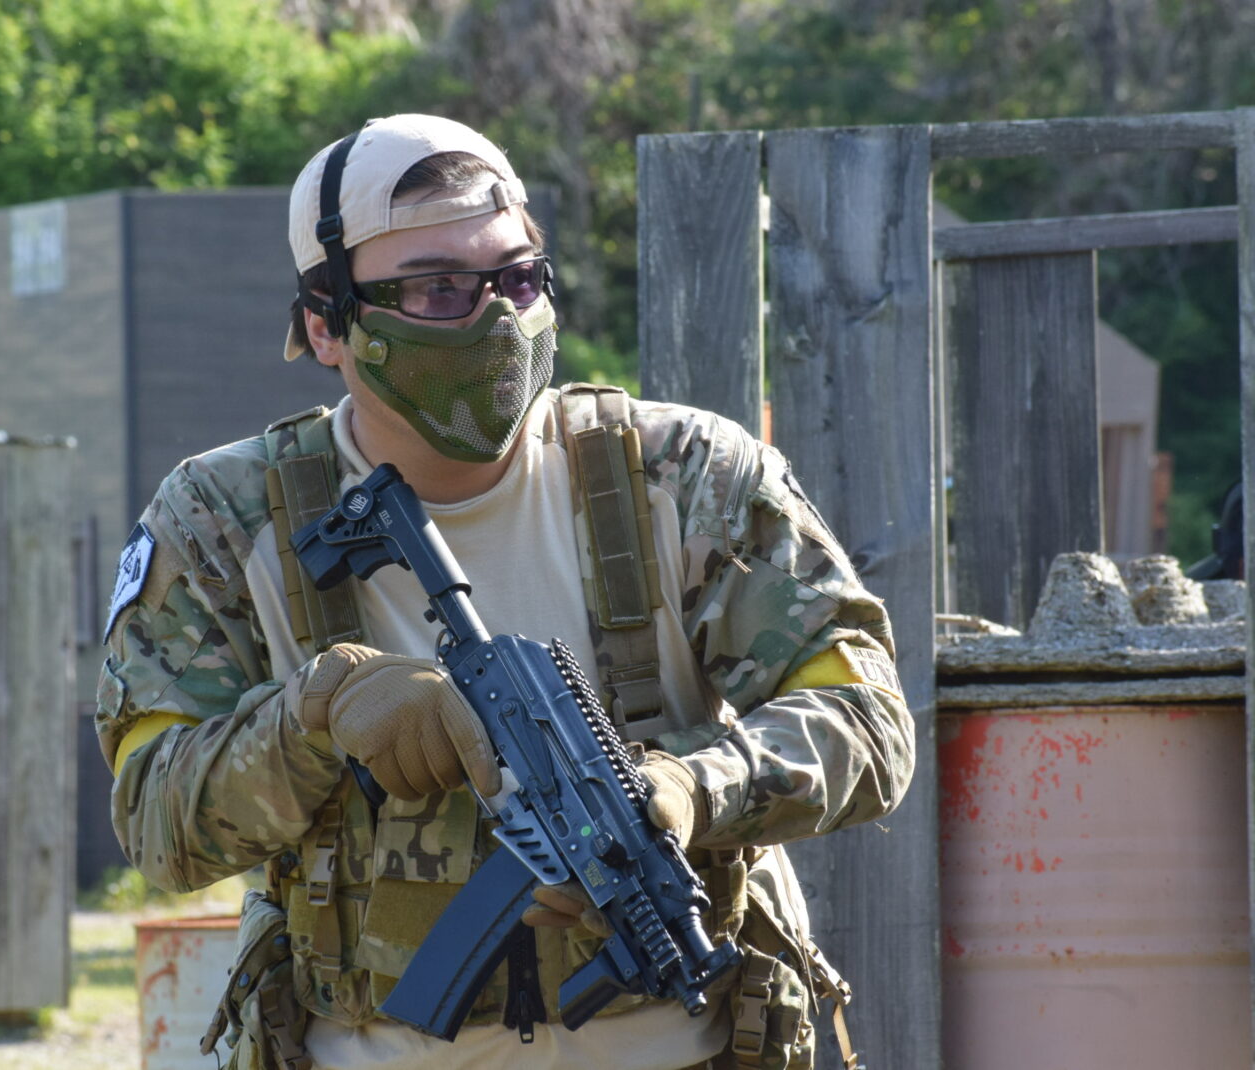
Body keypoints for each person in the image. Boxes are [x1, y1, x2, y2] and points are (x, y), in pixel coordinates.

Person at [96, 113, 914, 1070]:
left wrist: (693, 788)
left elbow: (868, 720)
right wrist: (315, 716)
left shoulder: (688, 476)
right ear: (327, 324)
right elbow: (157, 821)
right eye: (437, 289)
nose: (493, 320)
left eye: (517, 278)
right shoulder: (222, 518)